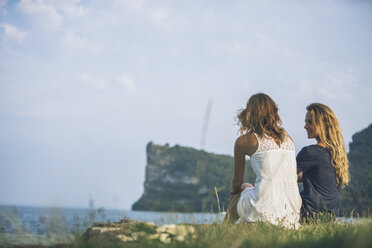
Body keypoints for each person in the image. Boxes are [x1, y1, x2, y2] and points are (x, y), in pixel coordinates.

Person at [223, 93, 301, 228]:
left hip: (264, 208)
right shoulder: (288, 138)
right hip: (291, 211)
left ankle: (222, 232)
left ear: (250, 113)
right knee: (248, 187)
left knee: (241, 189)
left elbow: (236, 183)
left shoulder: (244, 141)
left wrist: (238, 189)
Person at [297, 103, 349, 221]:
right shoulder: (336, 154)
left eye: (310, 122)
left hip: (308, 215)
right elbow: (316, 178)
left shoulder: (310, 152)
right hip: (329, 217)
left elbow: (283, 176)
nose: (305, 126)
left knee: (246, 186)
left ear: (323, 125)